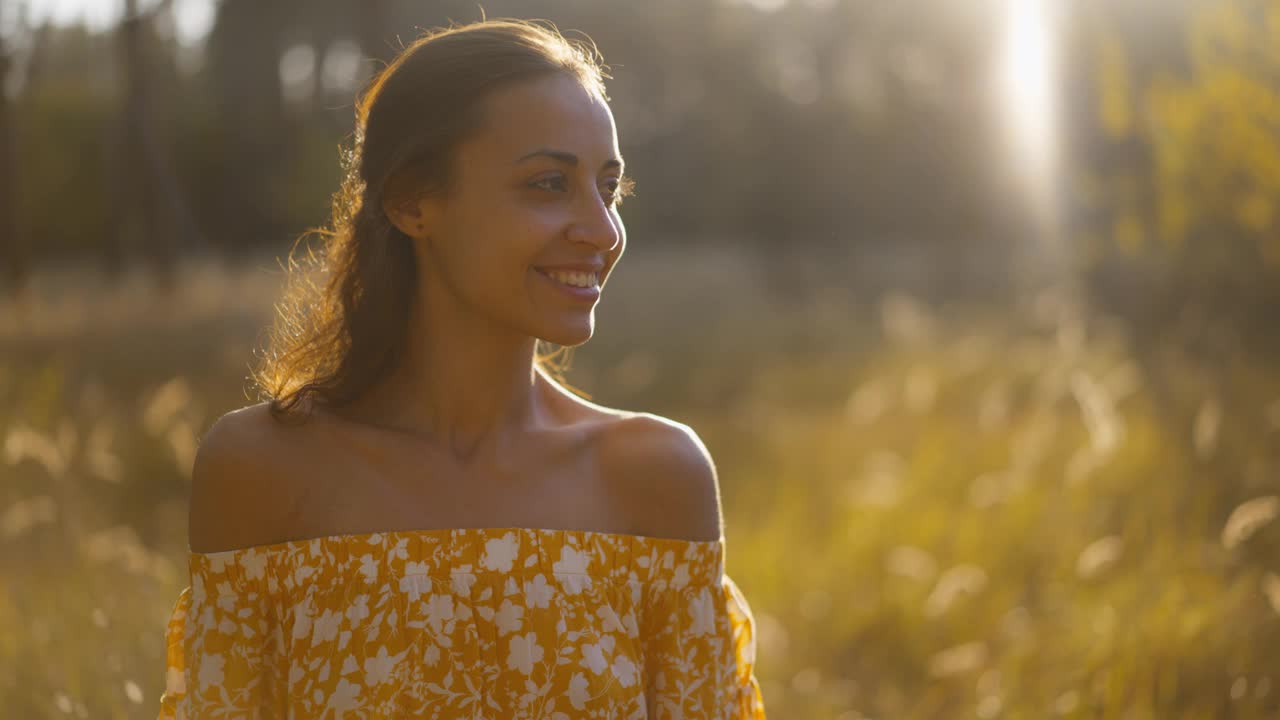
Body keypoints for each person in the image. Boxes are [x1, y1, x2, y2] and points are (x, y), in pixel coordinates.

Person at [156, 17, 766, 719]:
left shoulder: (655, 478)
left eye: (608, 187)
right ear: (412, 202)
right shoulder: (259, 470)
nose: (603, 230)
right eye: (547, 183)